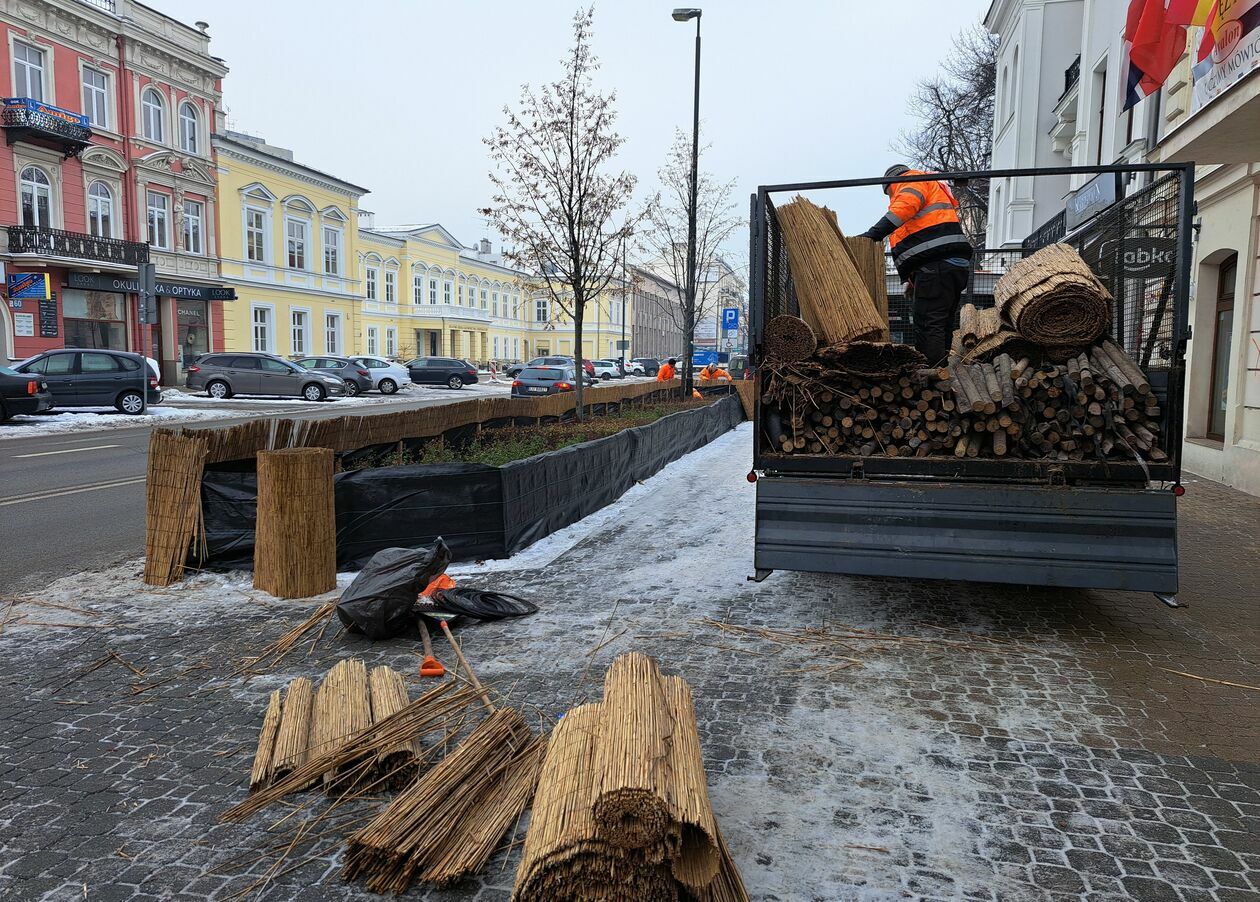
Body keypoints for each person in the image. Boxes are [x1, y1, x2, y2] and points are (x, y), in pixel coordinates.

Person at [858, 163, 973, 365]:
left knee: (928, 323)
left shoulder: (911, 181)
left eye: (888, 193)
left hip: (936, 265)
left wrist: (870, 236)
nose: (891, 198)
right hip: (951, 265)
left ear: (890, 185)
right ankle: (941, 368)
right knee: (941, 322)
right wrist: (912, 277)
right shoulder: (931, 186)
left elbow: (903, 209)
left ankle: (931, 372)